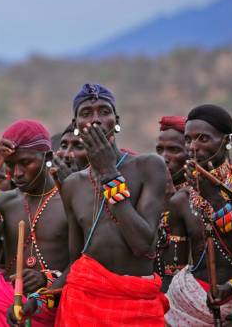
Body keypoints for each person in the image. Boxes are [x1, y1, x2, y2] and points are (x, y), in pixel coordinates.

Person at [56, 84, 168, 326]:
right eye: (86, 113)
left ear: (116, 121)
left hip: (138, 307)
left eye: (103, 111)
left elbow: (142, 244)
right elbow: (76, 260)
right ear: (76, 125)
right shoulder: (73, 185)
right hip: (82, 304)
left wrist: (109, 172)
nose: (96, 120)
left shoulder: (149, 166)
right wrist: (39, 298)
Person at [0, 119, 67, 326]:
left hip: (54, 308)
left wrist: (46, 281)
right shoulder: (6, 201)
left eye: (26, 163)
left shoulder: (68, 199)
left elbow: (82, 259)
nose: (17, 173)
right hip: (6, 307)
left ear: (47, 157)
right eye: (10, 165)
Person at [166, 104, 232, 325]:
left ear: (228, 140)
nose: (192, 147)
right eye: (188, 139)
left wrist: (216, 200)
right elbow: (173, 269)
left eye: (203, 138)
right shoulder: (181, 200)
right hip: (187, 309)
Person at [153, 116, 200, 293]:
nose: (164, 158)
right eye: (159, 150)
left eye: (174, 150)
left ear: (191, 152)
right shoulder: (148, 191)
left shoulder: (199, 196)